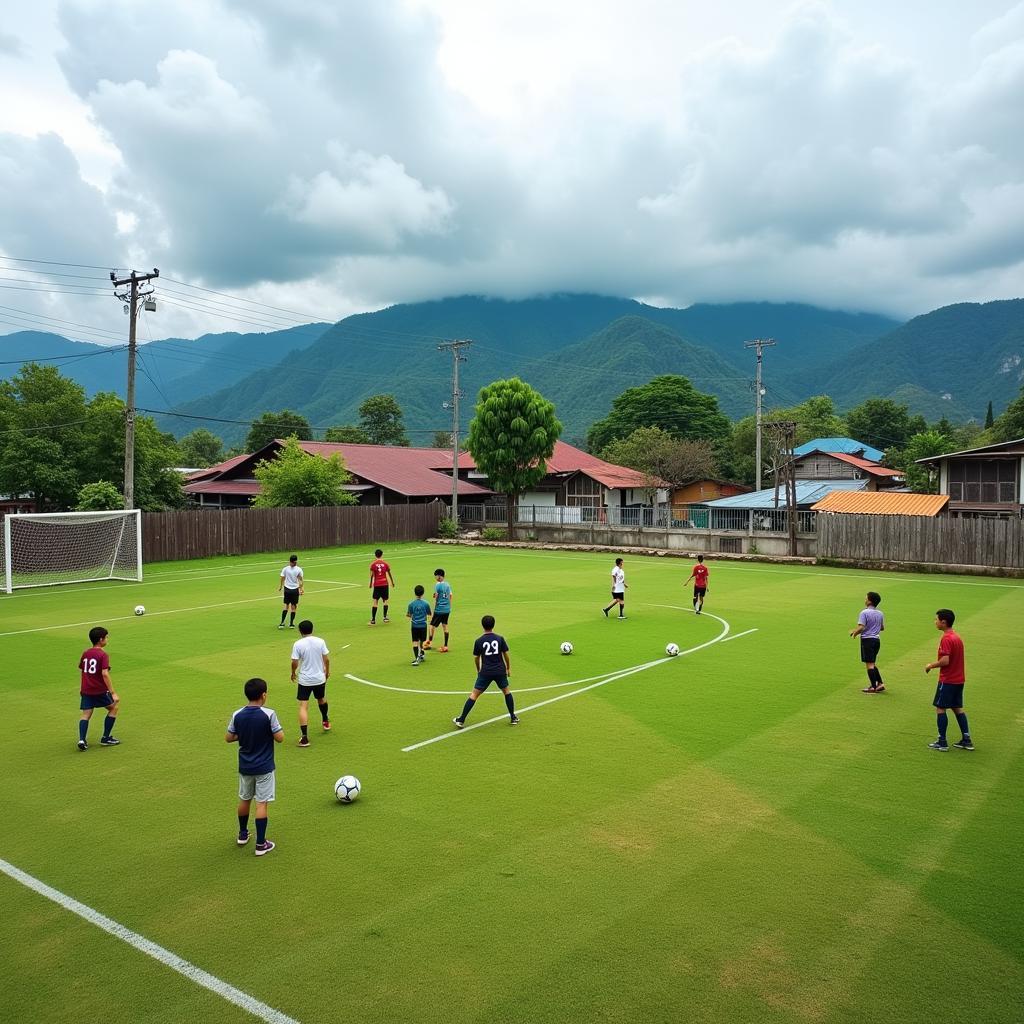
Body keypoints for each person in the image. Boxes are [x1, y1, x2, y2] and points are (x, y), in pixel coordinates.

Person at [226, 677, 284, 856]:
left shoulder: (237, 714)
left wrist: (242, 735)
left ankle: (243, 834)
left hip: (245, 766)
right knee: (261, 804)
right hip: (264, 767)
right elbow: (280, 737)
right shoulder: (269, 714)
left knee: (244, 799)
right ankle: (261, 844)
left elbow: (229, 737)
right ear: (263, 695)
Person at [452, 614, 519, 728]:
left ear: (482, 626)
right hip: (499, 670)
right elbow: (505, 654)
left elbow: (476, 658)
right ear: (494, 625)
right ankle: (513, 717)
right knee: (506, 691)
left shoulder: (479, 641)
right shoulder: (500, 638)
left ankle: (461, 719)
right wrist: (508, 667)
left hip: (486, 671)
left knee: (474, 694)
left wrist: (479, 670)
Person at [925, 609, 973, 751]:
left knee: (940, 708)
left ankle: (942, 741)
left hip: (948, 680)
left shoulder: (946, 638)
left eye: (936, 619)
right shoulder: (956, 637)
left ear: (943, 622)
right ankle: (966, 739)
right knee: (957, 707)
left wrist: (930, 665)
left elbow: (945, 661)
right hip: (959, 679)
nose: (935, 622)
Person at [77, 626, 120, 750]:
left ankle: (82, 739)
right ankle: (106, 738)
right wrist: (113, 692)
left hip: (86, 690)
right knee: (113, 707)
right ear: (101, 639)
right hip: (99, 690)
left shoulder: (86, 653)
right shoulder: (103, 655)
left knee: (86, 714)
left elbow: (83, 669)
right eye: (106, 637)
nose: (107, 640)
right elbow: (105, 674)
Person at [291, 619, 330, 747]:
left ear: (300, 631)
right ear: (312, 629)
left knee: (303, 706)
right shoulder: (320, 641)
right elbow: (327, 659)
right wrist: (327, 672)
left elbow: (295, 662)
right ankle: (325, 720)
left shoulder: (298, 644)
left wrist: (293, 672)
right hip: (319, 678)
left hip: (305, 679)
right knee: (321, 699)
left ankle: (304, 738)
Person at [850, 591, 885, 693]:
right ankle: (880, 684)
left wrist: (855, 633)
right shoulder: (880, 613)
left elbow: (861, 627)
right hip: (876, 640)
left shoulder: (864, 612)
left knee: (869, 665)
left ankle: (873, 687)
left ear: (869, 601)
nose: (864, 600)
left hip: (867, 640)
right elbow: (882, 628)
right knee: (872, 663)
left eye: (866, 598)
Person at [423, 568, 452, 651]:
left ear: (439, 576)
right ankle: (446, 646)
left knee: (431, 625)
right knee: (445, 626)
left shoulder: (437, 585)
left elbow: (436, 598)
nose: (435, 578)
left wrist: (433, 609)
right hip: (447, 609)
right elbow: (450, 596)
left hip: (439, 609)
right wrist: (449, 607)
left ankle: (429, 642)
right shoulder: (447, 585)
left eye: (436, 576)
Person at [369, 548, 396, 625]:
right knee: (385, 601)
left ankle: (373, 620)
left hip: (377, 584)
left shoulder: (373, 564)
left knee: (375, 602)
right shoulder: (385, 564)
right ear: (382, 555)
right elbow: (389, 573)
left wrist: (371, 583)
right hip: (385, 584)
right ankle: (385, 618)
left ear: (375, 555)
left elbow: (372, 575)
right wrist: (392, 582)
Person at [407, 585, 431, 665]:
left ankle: (417, 658)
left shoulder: (411, 604)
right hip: (423, 625)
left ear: (415, 593)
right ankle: (421, 654)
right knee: (422, 641)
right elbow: (429, 613)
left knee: (415, 642)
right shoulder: (426, 604)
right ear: (423, 593)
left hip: (414, 625)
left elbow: (409, 615)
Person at [277, 554, 303, 629]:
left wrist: (281, 586)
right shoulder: (299, 569)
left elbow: (282, 577)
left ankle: (285, 623)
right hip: (293, 589)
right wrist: (301, 589)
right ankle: (288, 623)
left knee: (290, 606)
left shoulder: (285, 569)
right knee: (289, 606)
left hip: (289, 589)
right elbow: (301, 580)